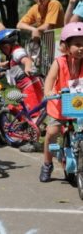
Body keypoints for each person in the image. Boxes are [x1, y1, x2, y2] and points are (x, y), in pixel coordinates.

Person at [39, 22, 83, 182]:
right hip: (60, 104)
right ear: (66, 45)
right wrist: (49, 91)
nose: (81, 48)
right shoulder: (59, 62)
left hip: (79, 105)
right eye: (77, 44)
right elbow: (49, 81)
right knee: (51, 133)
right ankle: (47, 163)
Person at [0, 29, 44, 152]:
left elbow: (26, 60)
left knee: (34, 113)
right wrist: (1, 65)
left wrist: (27, 68)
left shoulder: (17, 51)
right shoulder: (14, 52)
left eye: (2, 47)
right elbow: (12, 62)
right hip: (29, 84)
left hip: (29, 85)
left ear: (7, 45)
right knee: (32, 112)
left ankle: (32, 137)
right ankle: (29, 141)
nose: (2, 49)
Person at [16, 0, 64, 66]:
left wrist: (37, 30)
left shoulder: (54, 4)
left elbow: (48, 26)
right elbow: (19, 25)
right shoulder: (34, 8)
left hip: (60, 40)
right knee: (45, 68)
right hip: (46, 43)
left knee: (59, 65)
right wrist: (33, 29)